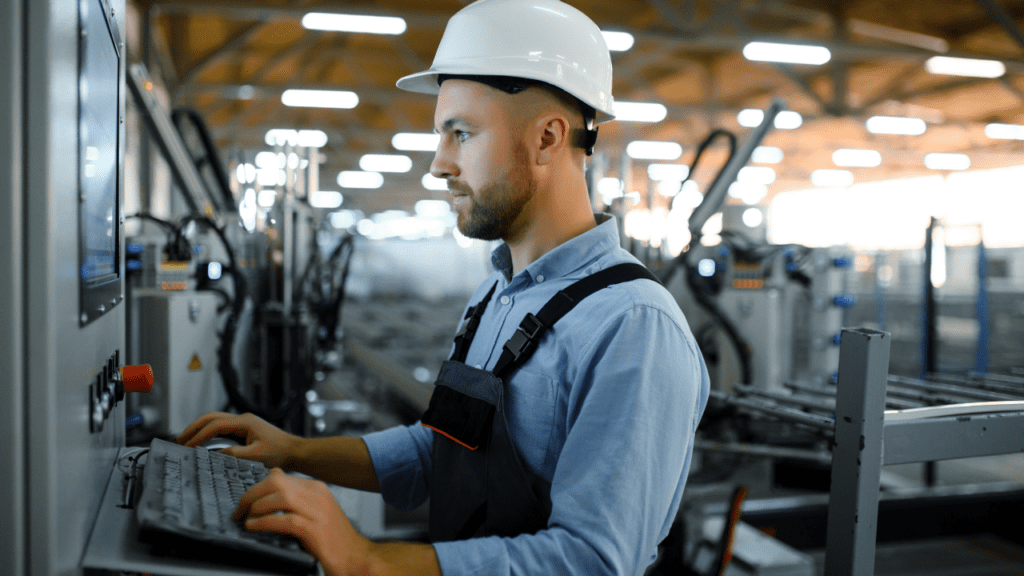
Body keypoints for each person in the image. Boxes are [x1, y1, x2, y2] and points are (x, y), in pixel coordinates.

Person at [177, 1, 710, 574]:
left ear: (548, 139)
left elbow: (591, 561)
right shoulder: (497, 296)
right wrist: (295, 452)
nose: (438, 164)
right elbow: (446, 452)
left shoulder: (631, 325)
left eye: (462, 133)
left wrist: (368, 560)